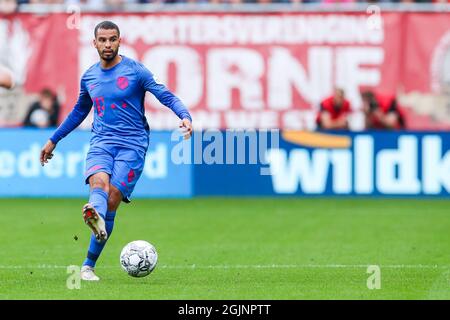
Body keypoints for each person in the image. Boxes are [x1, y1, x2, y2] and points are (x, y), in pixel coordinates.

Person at [39, 21, 193, 281]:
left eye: (112, 40)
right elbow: (79, 110)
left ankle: (89, 260)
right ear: (95, 43)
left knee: (112, 198)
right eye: (103, 40)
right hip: (101, 141)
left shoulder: (136, 71)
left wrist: (185, 116)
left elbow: (165, 95)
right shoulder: (89, 76)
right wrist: (54, 139)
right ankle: (92, 235)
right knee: (98, 182)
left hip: (133, 145)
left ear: (119, 41)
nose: (107, 44)